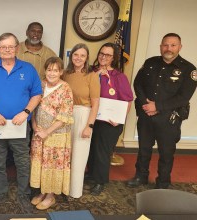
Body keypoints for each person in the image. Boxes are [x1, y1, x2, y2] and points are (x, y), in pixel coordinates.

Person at [0, 33, 42, 213]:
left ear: (17, 48)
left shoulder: (28, 69)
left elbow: (36, 94)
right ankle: (0, 192)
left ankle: (23, 194)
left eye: (10, 46)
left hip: (20, 126)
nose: (7, 50)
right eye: (3, 47)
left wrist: (26, 112)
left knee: (22, 162)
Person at [127, 33, 197, 189]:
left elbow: (183, 97)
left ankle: (163, 182)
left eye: (173, 45)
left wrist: (157, 107)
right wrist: (146, 104)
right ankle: (141, 176)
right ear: (161, 46)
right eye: (165, 45)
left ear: (180, 47)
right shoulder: (150, 62)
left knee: (166, 152)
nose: (169, 48)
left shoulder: (189, 69)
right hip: (146, 114)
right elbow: (138, 84)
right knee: (144, 148)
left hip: (168, 118)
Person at [87, 43, 133, 195]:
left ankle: (100, 181)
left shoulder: (119, 77)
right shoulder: (91, 72)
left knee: (102, 151)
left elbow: (127, 100)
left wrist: (119, 119)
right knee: (90, 148)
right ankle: (91, 173)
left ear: (114, 58)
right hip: (90, 119)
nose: (103, 57)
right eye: (101, 53)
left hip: (109, 122)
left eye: (107, 55)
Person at [30, 57, 73, 210]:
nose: (52, 73)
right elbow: (33, 107)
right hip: (39, 133)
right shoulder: (40, 85)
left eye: (56, 70)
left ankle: (50, 196)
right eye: (49, 70)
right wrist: (35, 126)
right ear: (45, 70)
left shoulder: (66, 88)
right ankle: (42, 191)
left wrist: (47, 132)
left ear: (61, 72)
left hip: (57, 135)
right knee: (41, 163)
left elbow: (65, 116)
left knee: (53, 165)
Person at [63, 43, 100, 198]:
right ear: (72, 56)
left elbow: (96, 102)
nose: (78, 58)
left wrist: (89, 126)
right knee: (66, 154)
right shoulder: (65, 73)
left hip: (83, 116)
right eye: (76, 55)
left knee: (79, 155)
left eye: (82, 55)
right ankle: (63, 188)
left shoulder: (92, 75)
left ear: (87, 58)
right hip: (65, 116)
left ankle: (74, 191)